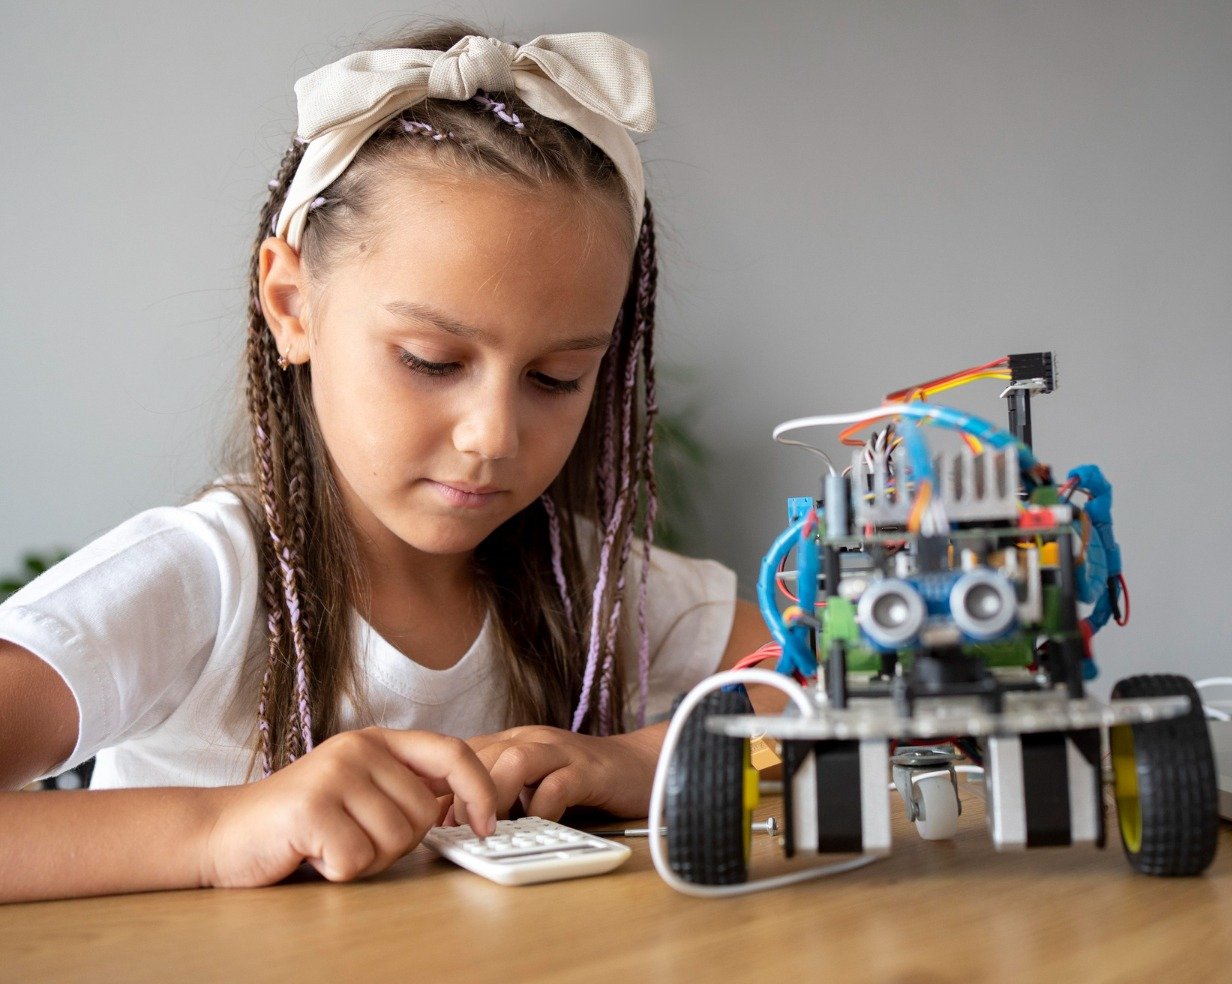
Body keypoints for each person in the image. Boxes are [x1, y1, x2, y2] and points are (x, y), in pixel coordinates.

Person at [0, 22, 773, 903]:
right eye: (432, 362)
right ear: (292, 305)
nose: (493, 436)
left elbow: (842, 693)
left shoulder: (589, 585)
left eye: (555, 378)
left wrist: (643, 760)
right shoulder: (203, 580)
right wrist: (220, 831)